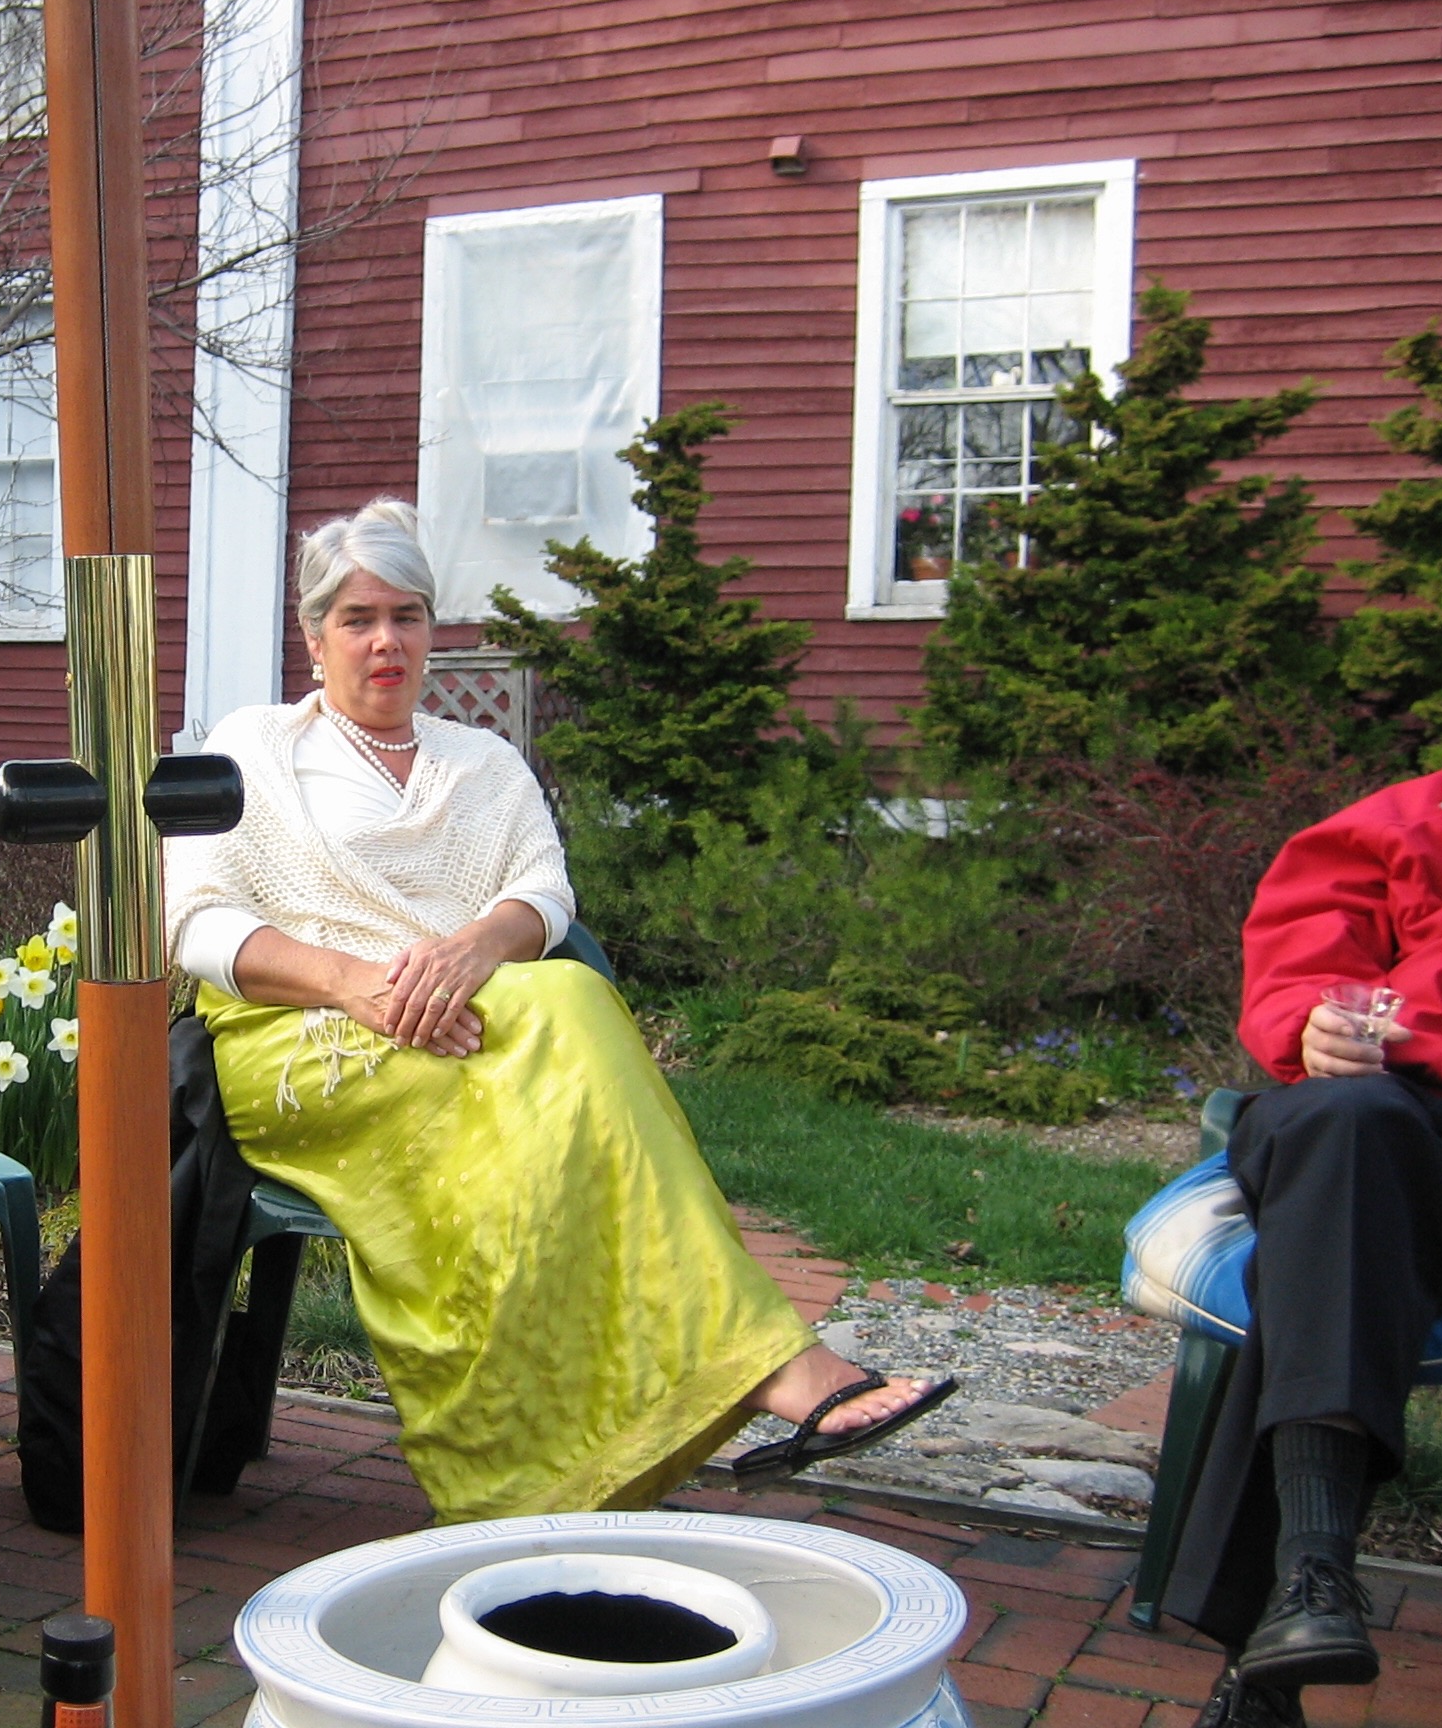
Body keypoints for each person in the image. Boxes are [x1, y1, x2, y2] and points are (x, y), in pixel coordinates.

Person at [162, 500, 952, 1523]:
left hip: (478, 1024)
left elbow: (544, 891)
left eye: (406, 616)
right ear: (314, 638)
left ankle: (574, 1460)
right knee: (571, 1004)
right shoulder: (254, 748)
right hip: (304, 1043)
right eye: (358, 619)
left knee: (563, 1022)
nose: (386, 641)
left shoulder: (482, 763)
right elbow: (195, 924)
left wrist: (471, 950)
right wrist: (360, 985)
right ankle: (763, 1367)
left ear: (431, 629)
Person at [1148, 624, 1442, 1728]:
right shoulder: (1411, 827)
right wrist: (1313, 1024)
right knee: (1345, 1137)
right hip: (1380, 1121)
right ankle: (1309, 1581)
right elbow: (1300, 970)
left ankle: (1271, 1660)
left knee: (1328, 1257)